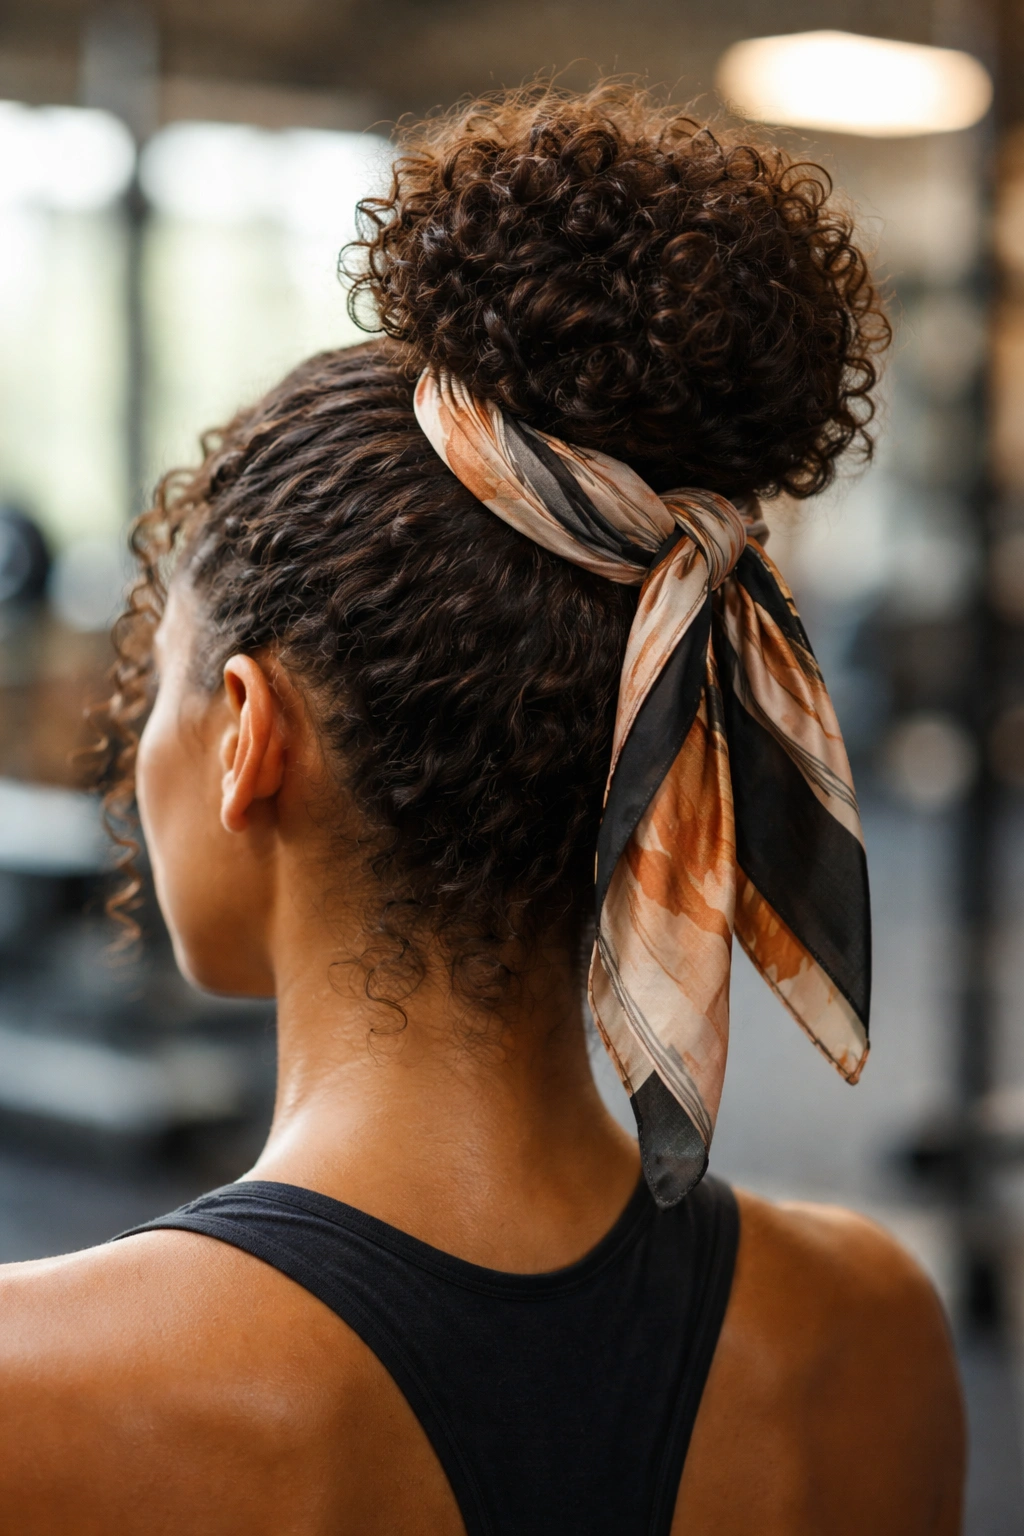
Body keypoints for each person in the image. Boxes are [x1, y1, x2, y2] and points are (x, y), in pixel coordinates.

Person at [0, 86, 963, 1534]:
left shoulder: (35, 1394)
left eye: (163, 685)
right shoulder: (875, 1335)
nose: (142, 744)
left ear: (250, 736)